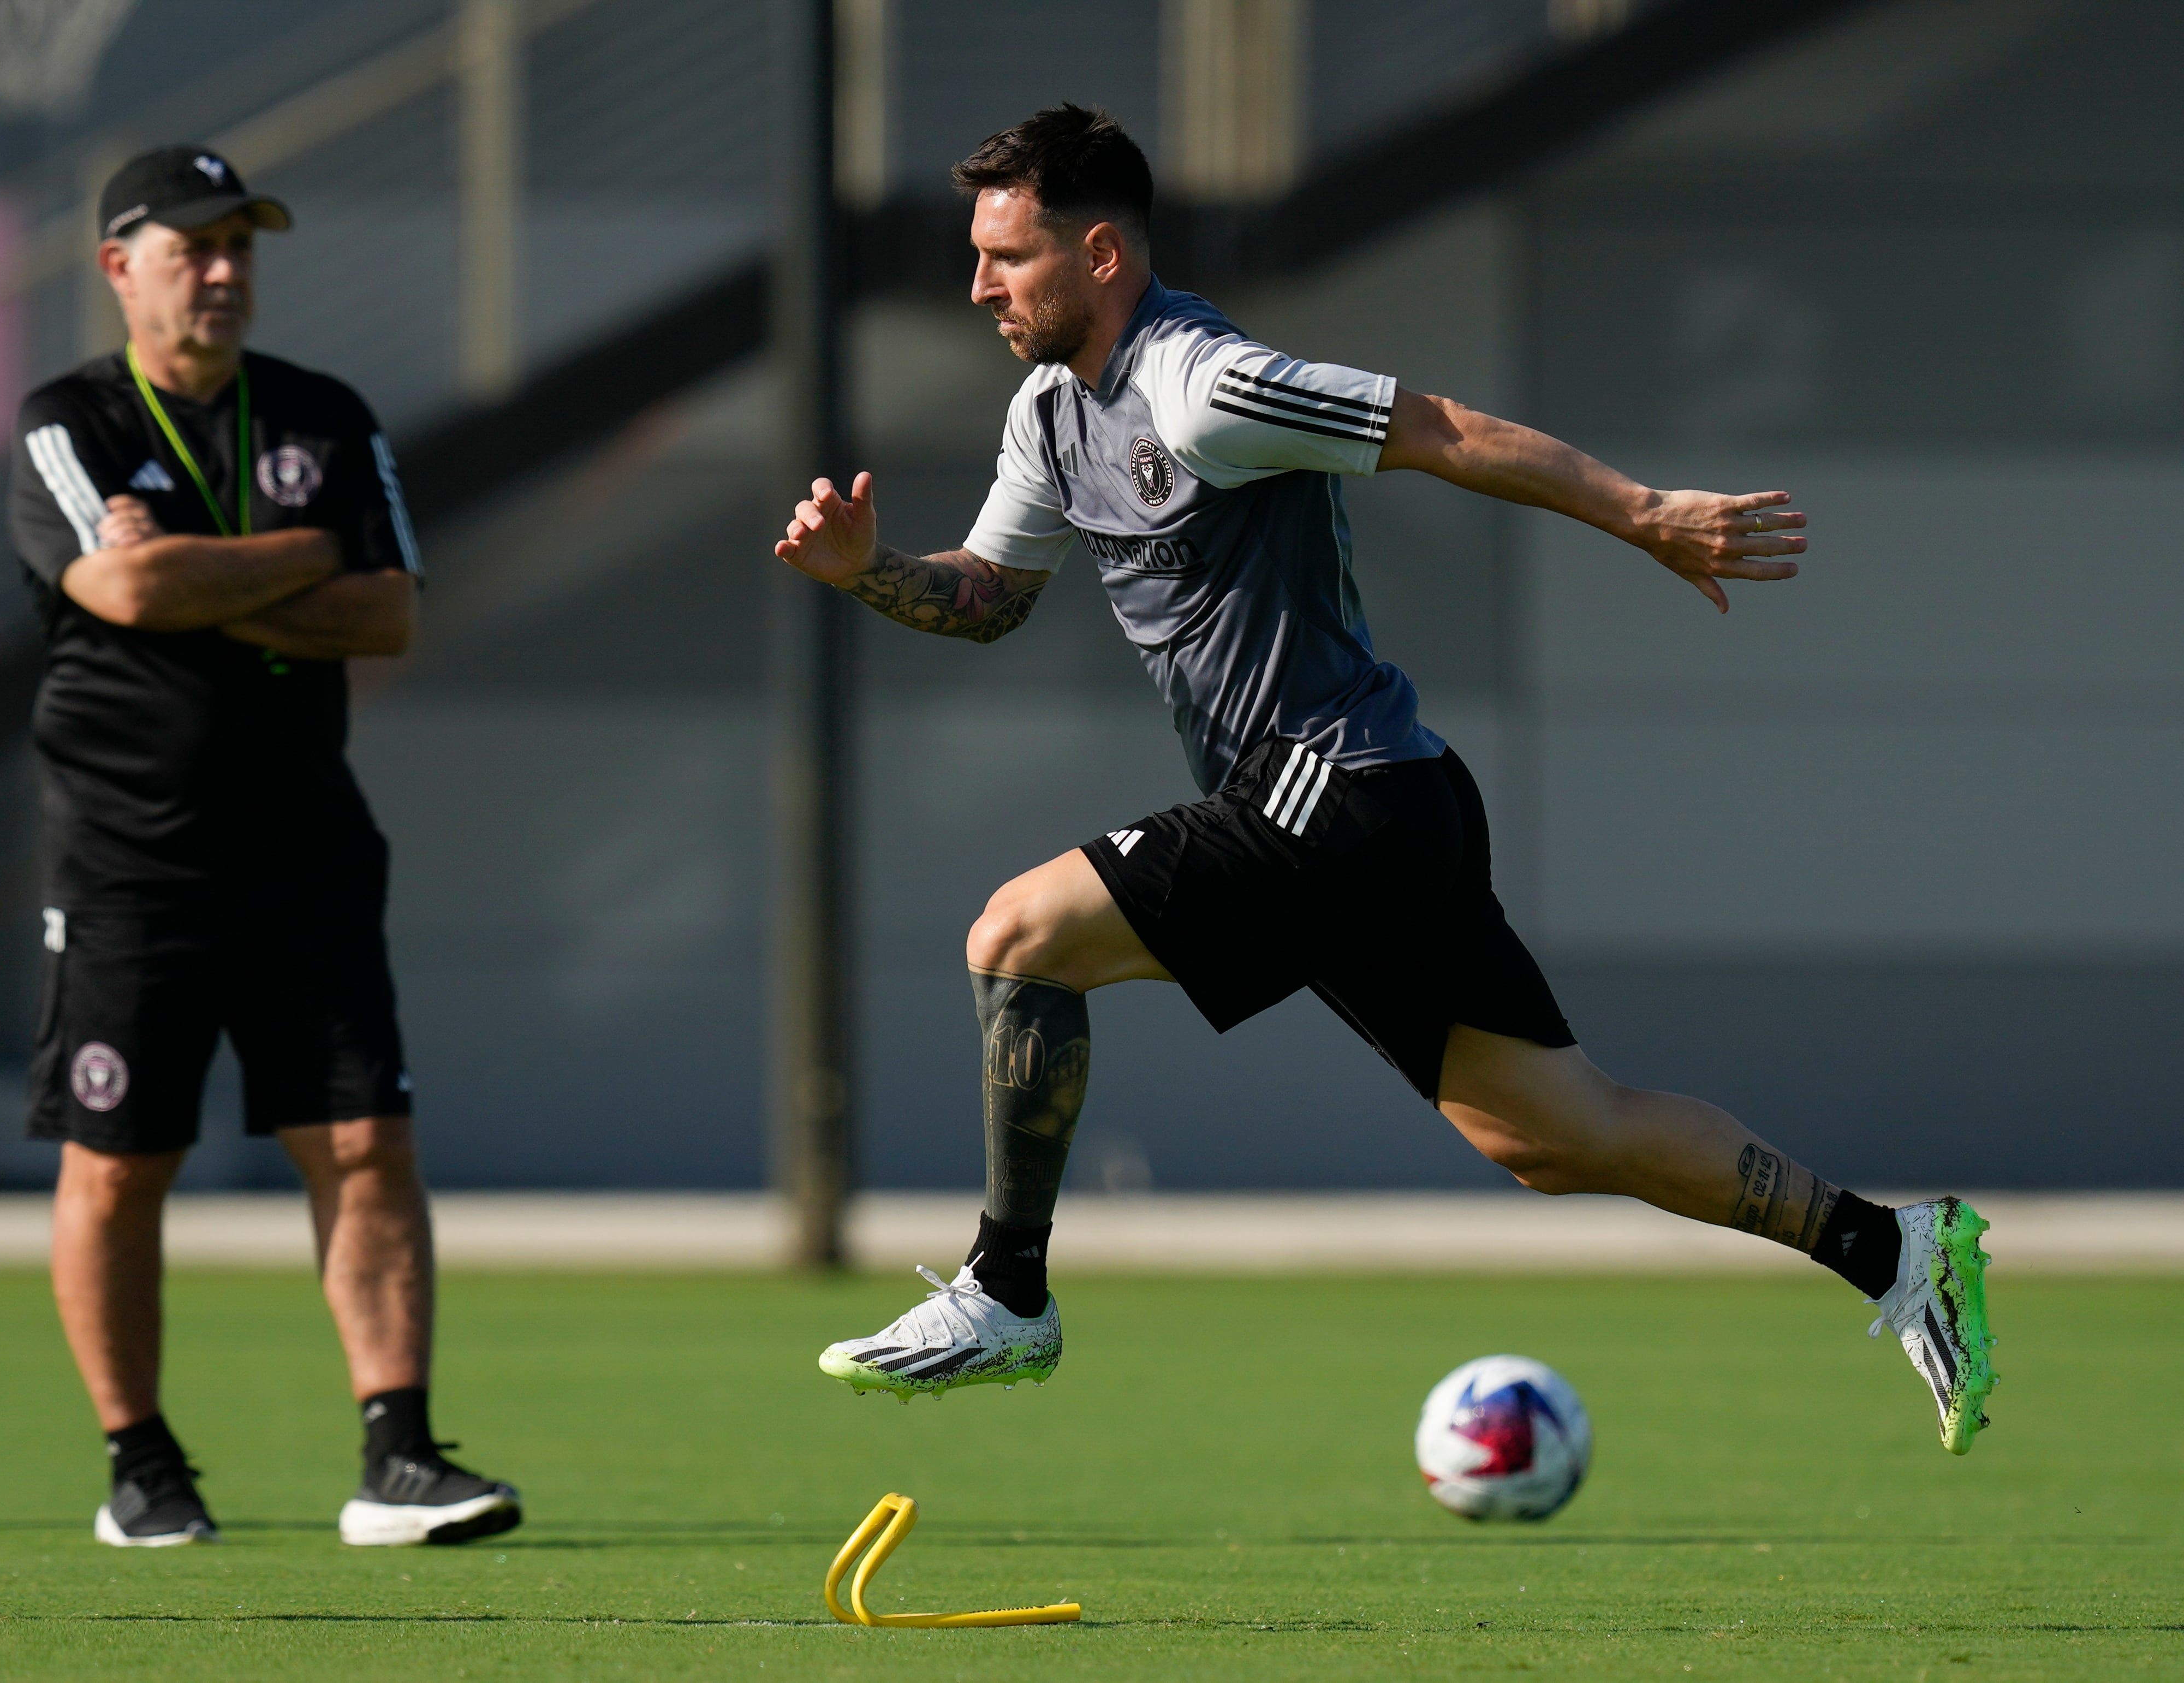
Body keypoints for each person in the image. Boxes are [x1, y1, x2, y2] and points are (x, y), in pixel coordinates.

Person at [775, 106, 1997, 1454]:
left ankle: (1007, 1294)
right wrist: (865, 575)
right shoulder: (1050, 414)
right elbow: (990, 595)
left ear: (1102, 253)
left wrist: (1644, 514)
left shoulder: (1204, 383)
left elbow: (1435, 426)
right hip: (1372, 808)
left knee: (1018, 934)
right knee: (1552, 1134)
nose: (978, 286)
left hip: (1337, 790)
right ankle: (1890, 1246)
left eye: (1006, 257)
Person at [9, 145, 518, 1546]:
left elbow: (388, 616)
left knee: (365, 1142)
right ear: (121, 267)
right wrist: (302, 554)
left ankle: (399, 1459)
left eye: (241, 246)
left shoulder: (323, 412)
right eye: (192, 247)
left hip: (305, 849)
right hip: (126, 863)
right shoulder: (68, 420)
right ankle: (142, 1467)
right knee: (118, 1166)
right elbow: (111, 583)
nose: (224, 272)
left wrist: (195, 572)